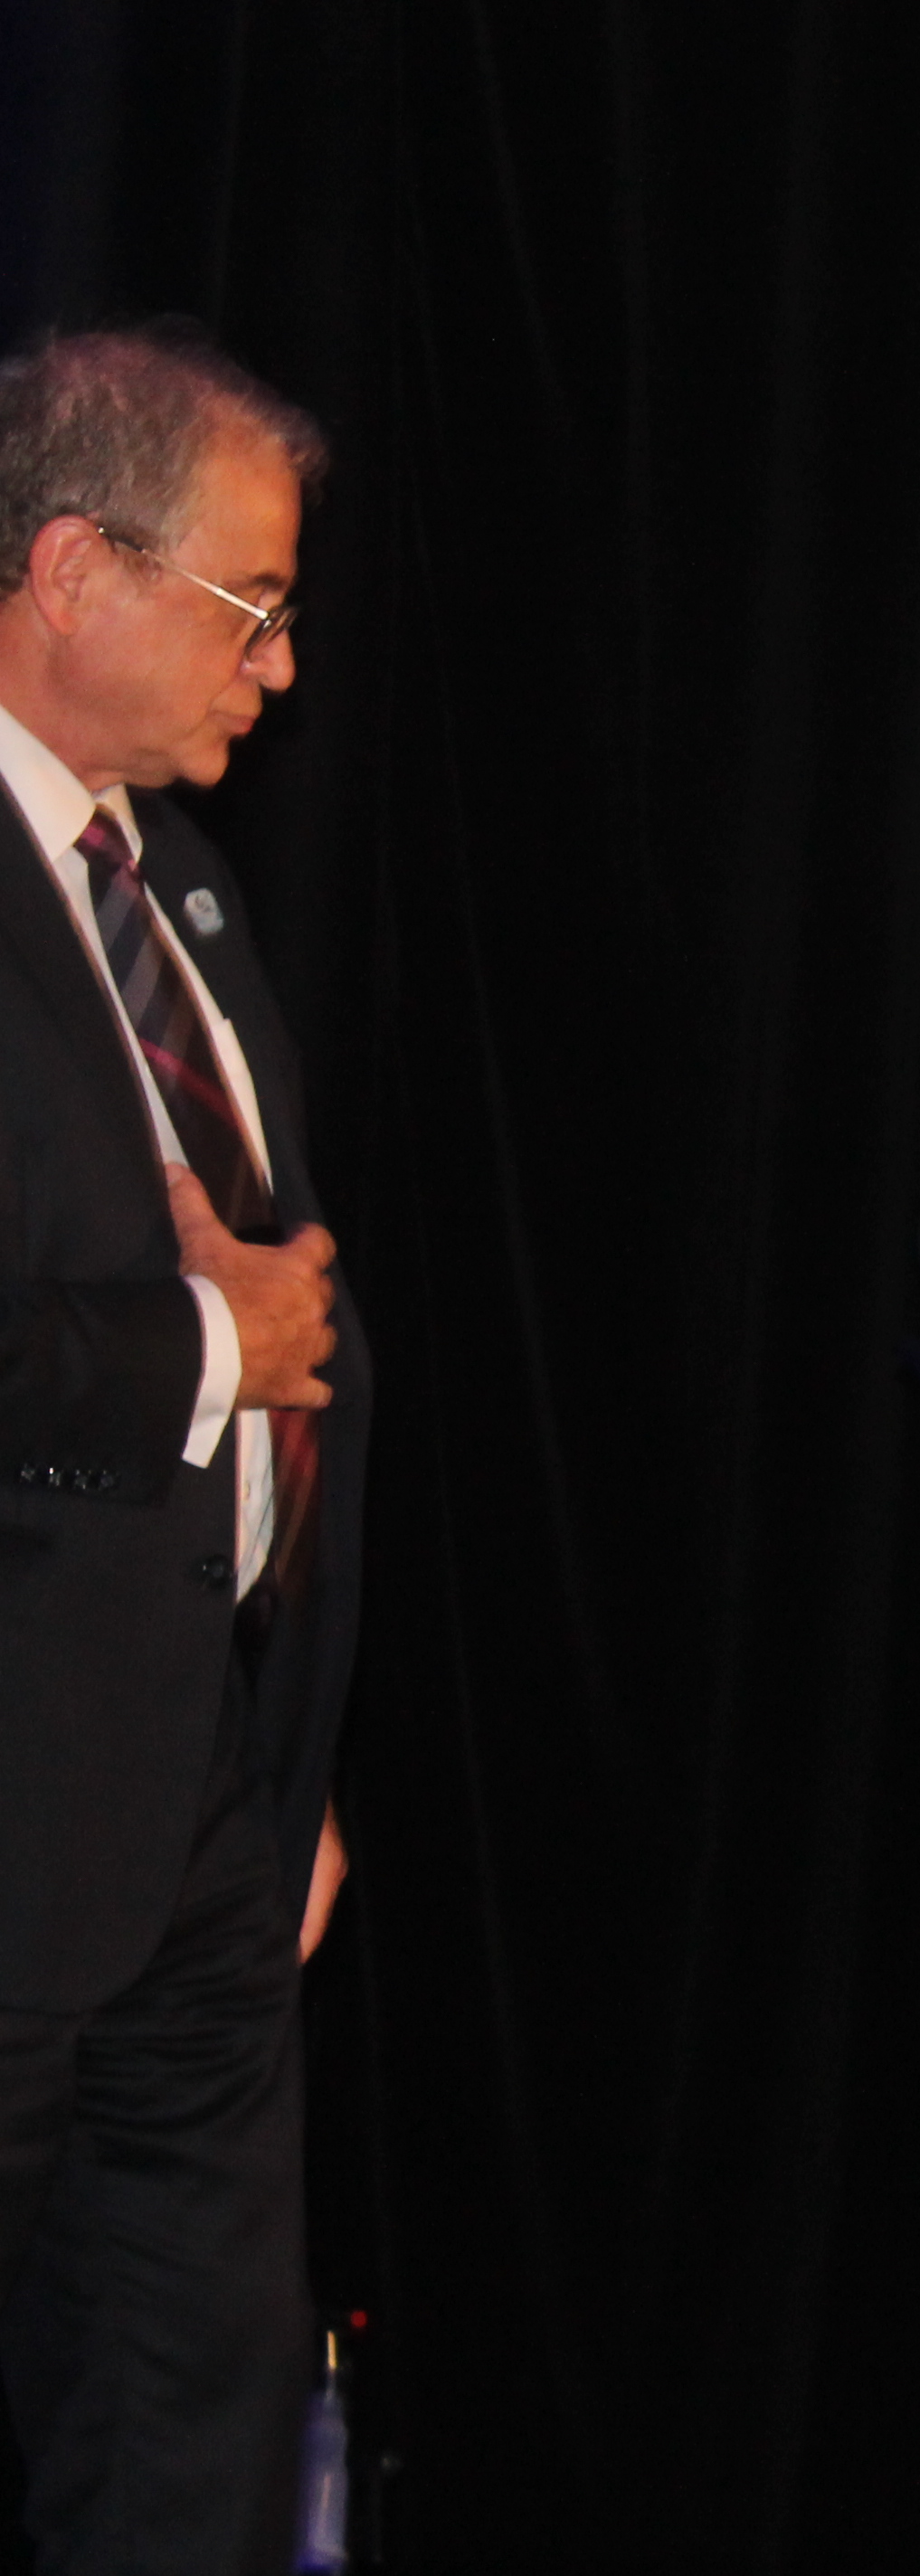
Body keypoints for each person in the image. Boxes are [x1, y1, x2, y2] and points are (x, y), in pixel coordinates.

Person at [0, 322, 366, 2574]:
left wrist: (277, 1767)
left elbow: (298, 1324)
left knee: (192, 2452)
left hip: (197, 1826)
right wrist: (204, 1343)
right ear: (71, 569)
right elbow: (227, 1331)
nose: (283, 665)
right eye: (252, 605)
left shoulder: (176, 886)